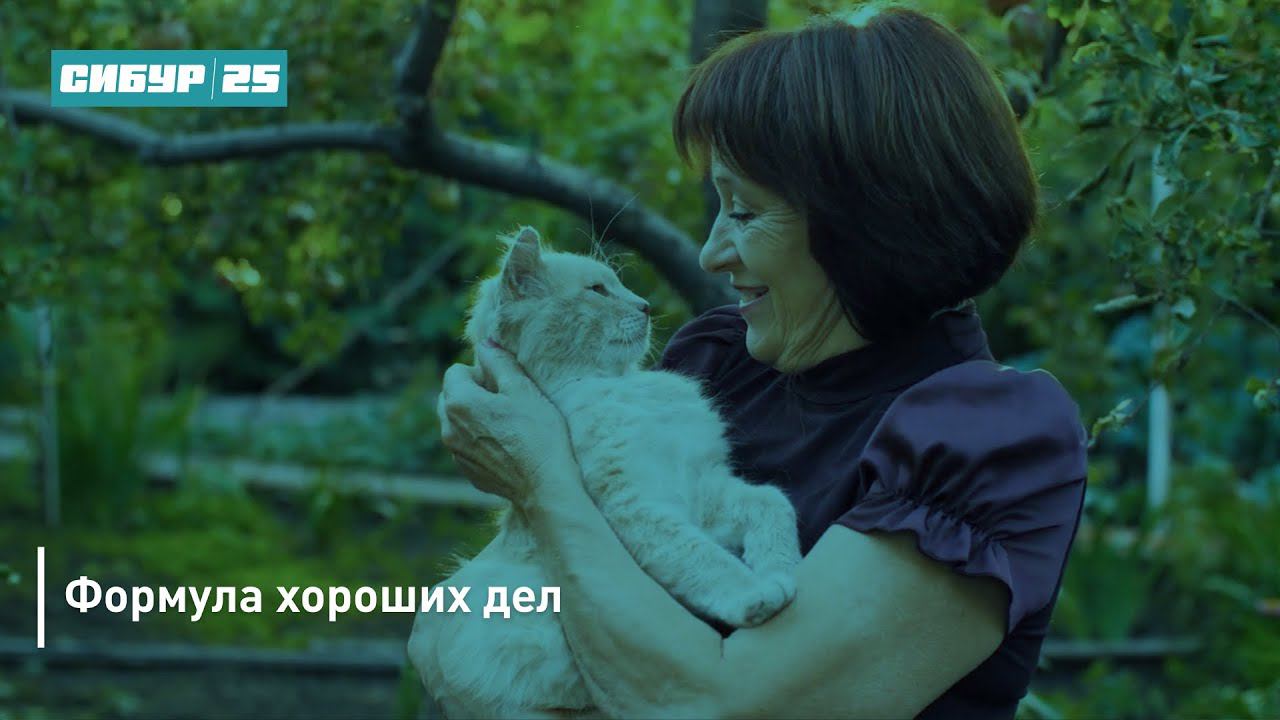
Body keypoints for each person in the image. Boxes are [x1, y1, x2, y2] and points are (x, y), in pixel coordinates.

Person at [436, 5, 1088, 718]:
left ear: (868, 220)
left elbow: (719, 707)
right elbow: (455, 630)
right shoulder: (720, 361)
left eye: (743, 212)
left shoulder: (987, 439)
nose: (711, 253)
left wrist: (540, 480)